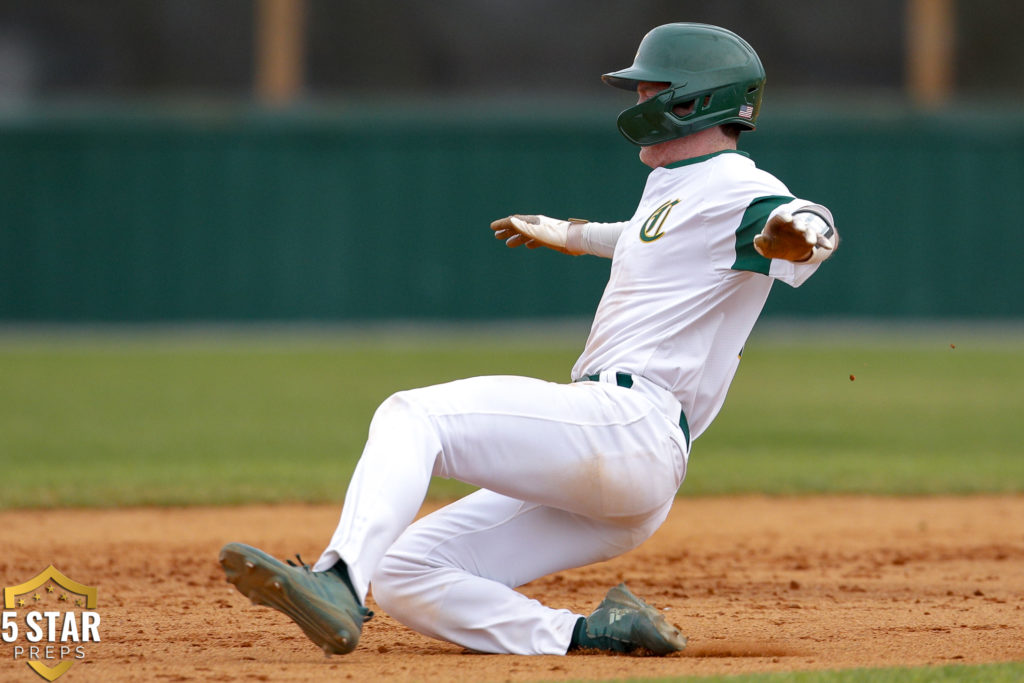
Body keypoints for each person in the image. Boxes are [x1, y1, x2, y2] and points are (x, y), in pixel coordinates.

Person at [219, 22, 839, 657]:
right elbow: (643, 237)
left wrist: (800, 233)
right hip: (635, 468)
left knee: (413, 415)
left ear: (692, 101)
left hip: (629, 422)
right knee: (407, 574)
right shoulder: (682, 187)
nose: (635, 103)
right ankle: (593, 633)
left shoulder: (738, 186)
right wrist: (568, 234)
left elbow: (805, 221)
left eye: (649, 88)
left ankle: (338, 579)